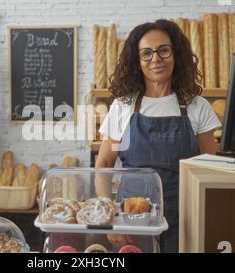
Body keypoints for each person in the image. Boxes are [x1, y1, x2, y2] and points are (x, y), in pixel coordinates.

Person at [96, 20, 221, 253]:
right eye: (146, 53)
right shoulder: (123, 106)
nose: (156, 59)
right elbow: (103, 164)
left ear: (177, 54)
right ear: (137, 61)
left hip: (185, 219)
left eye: (164, 50)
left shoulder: (197, 106)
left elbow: (211, 169)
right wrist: (110, 217)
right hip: (132, 221)